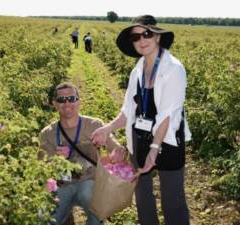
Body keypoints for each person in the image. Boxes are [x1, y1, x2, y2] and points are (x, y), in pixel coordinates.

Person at [91, 15, 192, 225]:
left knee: (172, 198)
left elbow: (168, 114)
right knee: (142, 194)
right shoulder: (136, 70)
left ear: (157, 37)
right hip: (140, 137)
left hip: (168, 140)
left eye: (146, 34)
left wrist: (155, 148)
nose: (141, 40)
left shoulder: (173, 69)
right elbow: (129, 110)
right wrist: (108, 128)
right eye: (136, 37)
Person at [38, 82, 126, 225]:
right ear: (55, 104)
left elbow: (113, 146)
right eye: (61, 100)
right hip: (61, 185)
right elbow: (41, 167)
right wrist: (55, 158)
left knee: (92, 201)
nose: (67, 103)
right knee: (43, 219)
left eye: (72, 98)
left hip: (89, 183)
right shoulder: (47, 134)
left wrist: (119, 152)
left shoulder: (94, 125)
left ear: (79, 101)